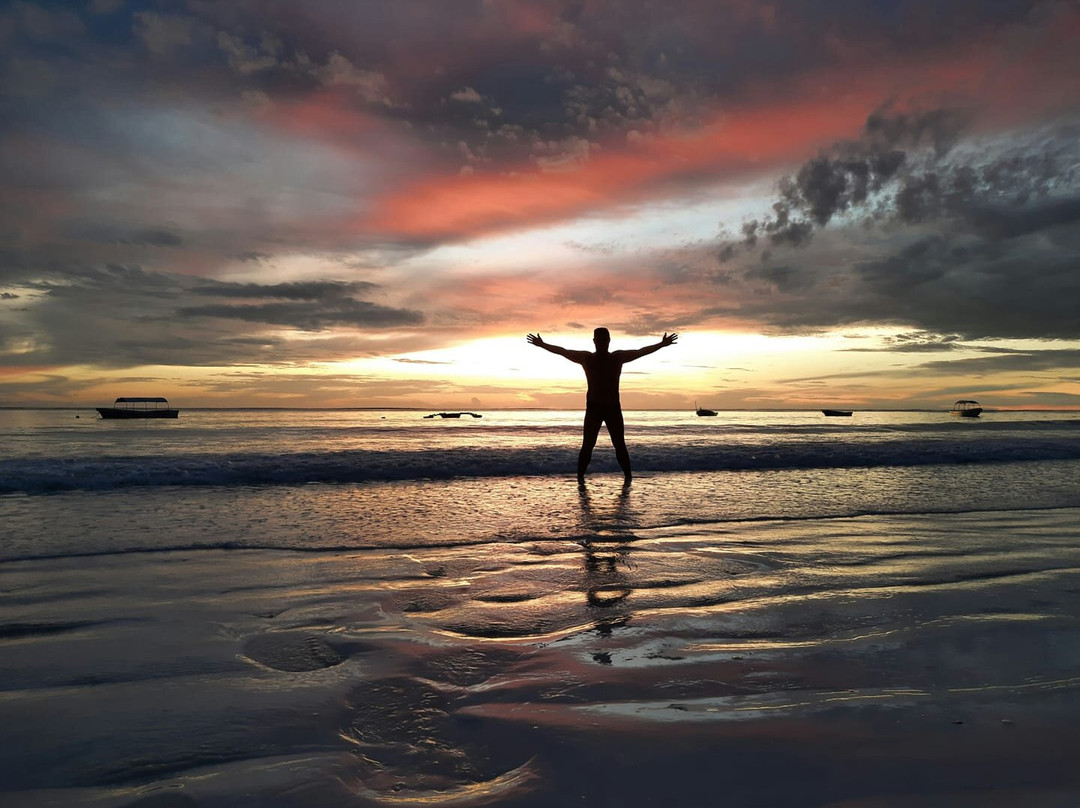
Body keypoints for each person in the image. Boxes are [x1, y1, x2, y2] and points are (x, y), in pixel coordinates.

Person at [526, 327, 677, 480]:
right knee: (588, 446)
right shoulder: (587, 358)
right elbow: (563, 351)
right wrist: (543, 345)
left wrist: (661, 344)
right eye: (599, 340)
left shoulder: (616, 357)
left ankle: (628, 479)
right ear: (594, 341)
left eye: (604, 340)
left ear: (608, 341)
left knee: (619, 445)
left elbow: (641, 351)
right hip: (594, 408)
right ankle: (580, 480)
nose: (602, 343)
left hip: (613, 408)